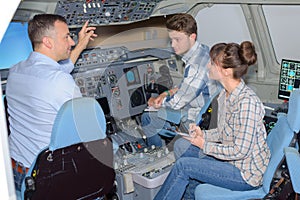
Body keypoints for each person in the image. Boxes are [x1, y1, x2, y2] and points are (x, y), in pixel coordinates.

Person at [154, 41, 271, 200]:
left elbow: (240, 151)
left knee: (184, 166)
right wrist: (203, 135)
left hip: (245, 174)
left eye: (212, 63)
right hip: (232, 162)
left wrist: (204, 145)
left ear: (226, 71)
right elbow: (224, 133)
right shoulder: (224, 95)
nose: (208, 66)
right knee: (183, 146)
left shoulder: (247, 103)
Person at [6, 14, 97, 191]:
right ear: (48, 42)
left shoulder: (15, 71)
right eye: (67, 37)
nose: (71, 42)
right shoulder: (61, 82)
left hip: (14, 171)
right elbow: (88, 132)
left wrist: (80, 46)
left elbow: (54, 72)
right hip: (43, 178)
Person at [141, 13, 219, 147]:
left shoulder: (196, 65)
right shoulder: (204, 51)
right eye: (171, 40)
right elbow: (186, 87)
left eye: (177, 39)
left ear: (192, 37)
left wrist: (155, 103)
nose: (173, 44)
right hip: (209, 111)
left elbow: (177, 103)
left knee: (147, 117)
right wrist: (166, 93)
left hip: (199, 118)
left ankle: (156, 154)